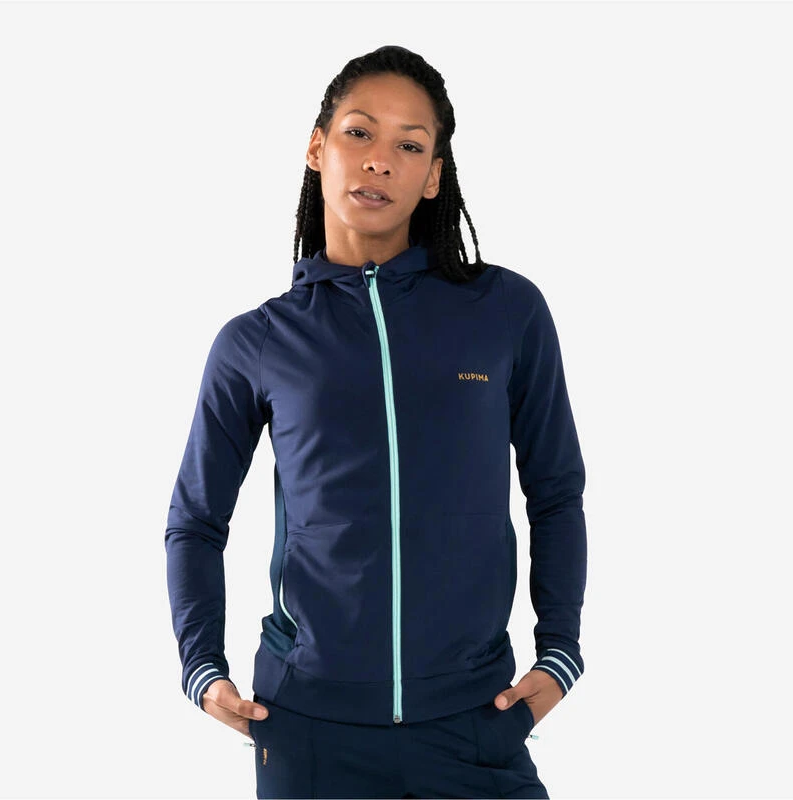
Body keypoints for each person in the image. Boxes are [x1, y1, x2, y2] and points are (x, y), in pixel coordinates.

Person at [165, 44, 587, 800]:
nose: (379, 160)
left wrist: (559, 653)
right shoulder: (258, 342)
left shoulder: (505, 311)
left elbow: (555, 490)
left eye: (410, 146)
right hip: (310, 729)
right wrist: (202, 665)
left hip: (475, 720)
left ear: (433, 177)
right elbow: (196, 519)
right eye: (359, 132)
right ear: (317, 148)